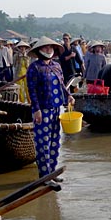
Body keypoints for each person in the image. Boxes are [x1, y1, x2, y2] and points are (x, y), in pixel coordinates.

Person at [26, 36, 75, 180]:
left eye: (51, 47)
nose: (49, 49)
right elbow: (32, 90)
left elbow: (62, 84)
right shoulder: (34, 68)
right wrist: (36, 109)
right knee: (43, 143)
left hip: (56, 108)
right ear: (39, 50)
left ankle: (52, 173)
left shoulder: (56, 65)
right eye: (45, 47)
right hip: (42, 110)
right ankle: (44, 175)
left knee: (55, 141)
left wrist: (69, 96)